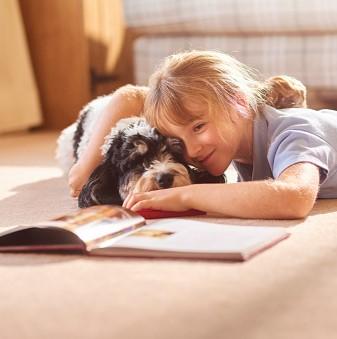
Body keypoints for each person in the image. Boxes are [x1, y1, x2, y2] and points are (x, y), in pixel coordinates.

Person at [69, 50, 337, 219]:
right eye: (179, 142)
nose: (193, 150)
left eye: (198, 127)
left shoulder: (294, 132)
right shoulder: (241, 136)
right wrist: (87, 167)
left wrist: (187, 195)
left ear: (239, 102)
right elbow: (130, 97)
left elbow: (293, 198)